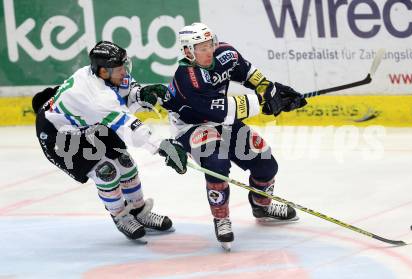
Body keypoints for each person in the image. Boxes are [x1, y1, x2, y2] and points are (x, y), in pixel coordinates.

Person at [142, 23, 307, 250]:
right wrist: (266, 105)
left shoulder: (225, 53)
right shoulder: (187, 77)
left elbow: (250, 74)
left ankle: (262, 205)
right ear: (188, 51)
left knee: (266, 163)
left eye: (210, 44)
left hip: (223, 121)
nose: (208, 50)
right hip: (192, 127)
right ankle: (221, 218)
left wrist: (272, 91)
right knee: (217, 164)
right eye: (201, 47)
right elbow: (219, 110)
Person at [33, 41, 187, 241]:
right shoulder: (96, 98)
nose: (124, 72)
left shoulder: (105, 76)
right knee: (106, 171)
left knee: (124, 162)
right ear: (104, 72)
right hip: (57, 135)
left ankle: (139, 211)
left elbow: (125, 92)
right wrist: (162, 146)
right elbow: (130, 127)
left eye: (125, 66)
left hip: (88, 124)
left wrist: (140, 94)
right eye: (120, 69)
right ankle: (120, 216)